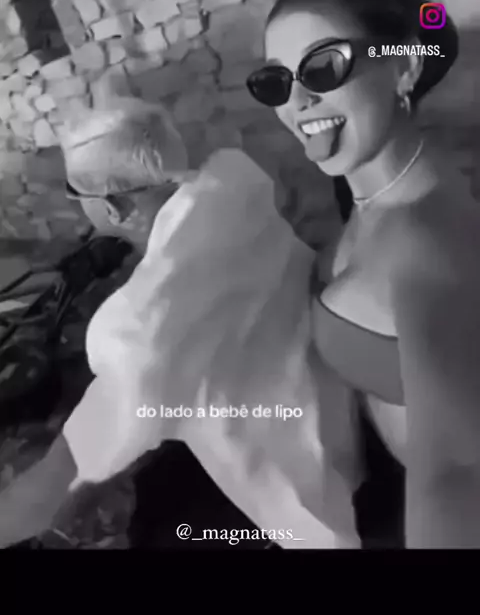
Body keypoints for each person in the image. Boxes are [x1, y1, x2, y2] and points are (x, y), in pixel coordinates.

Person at [0, 97, 351, 550]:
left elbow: (59, 476)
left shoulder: (139, 331)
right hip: (342, 424)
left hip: (304, 507)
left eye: (76, 196)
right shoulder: (238, 181)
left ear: (112, 208)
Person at [245, 0, 480, 548]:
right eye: (276, 81)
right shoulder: (378, 199)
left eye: (323, 66)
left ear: (403, 66)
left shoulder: (428, 241)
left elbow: (458, 475)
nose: (297, 101)